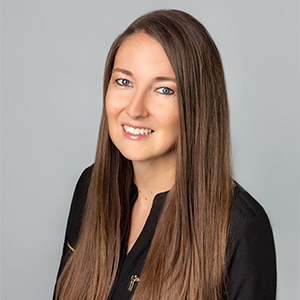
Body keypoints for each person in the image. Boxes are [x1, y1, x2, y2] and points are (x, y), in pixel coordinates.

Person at [53, 9, 276, 300]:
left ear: (198, 105)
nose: (135, 109)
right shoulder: (91, 186)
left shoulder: (241, 228)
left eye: (164, 90)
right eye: (124, 82)